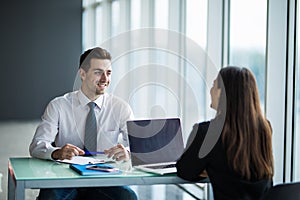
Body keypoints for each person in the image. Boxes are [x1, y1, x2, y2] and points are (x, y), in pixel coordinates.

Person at [29, 47, 137, 200]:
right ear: (82, 73)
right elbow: (37, 145)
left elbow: (138, 146)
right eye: (98, 72)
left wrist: (127, 151)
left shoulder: (120, 108)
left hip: (104, 176)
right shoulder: (59, 105)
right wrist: (56, 152)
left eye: (109, 73)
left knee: (128, 197)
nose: (105, 79)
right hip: (65, 175)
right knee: (50, 197)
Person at [176, 66, 274, 200]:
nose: (210, 91)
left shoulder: (207, 133)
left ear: (224, 93)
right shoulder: (264, 129)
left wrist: (208, 168)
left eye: (214, 86)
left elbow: (185, 171)